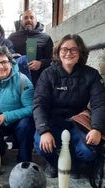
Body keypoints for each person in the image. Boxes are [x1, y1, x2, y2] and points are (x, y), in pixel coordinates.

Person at [33, 34, 105, 178]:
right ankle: (53, 163)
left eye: (74, 50)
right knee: (41, 143)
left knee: (88, 151)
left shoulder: (92, 75)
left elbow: (100, 103)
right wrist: (44, 130)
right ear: (58, 52)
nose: (68, 53)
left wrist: (97, 128)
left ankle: (76, 163)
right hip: (53, 122)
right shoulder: (48, 74)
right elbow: (39, 104)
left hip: (78, 122)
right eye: (64, 49)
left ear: (80, 53)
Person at [0, 46, 35, 163]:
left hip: (16, 122)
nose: (0, 67)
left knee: (26, 126)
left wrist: (6, 116)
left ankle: (24, 161)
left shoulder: (23, 81)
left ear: (10, 63)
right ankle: (0, 147)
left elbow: (30, 108)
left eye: (4, 62)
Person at [8, 10, 53, 86]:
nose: (29, 20)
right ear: (21, 21)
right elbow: (7, 57)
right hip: (17, 81)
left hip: (39, 81)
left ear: (36, 20)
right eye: (25, 18)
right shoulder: (12, 37)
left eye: (31, 18)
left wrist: (41, 63)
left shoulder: (46, 38)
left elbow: (52, 60)